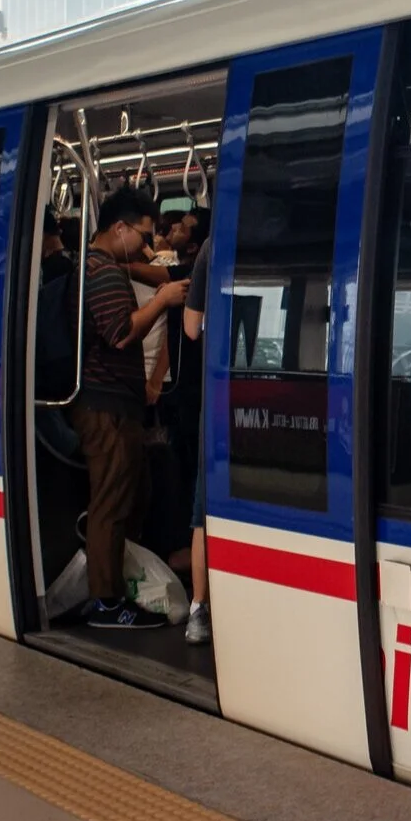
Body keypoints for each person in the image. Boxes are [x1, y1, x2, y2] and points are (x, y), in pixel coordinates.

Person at [75, 187, 188, 630]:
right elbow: (120, 334)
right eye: (141, 236)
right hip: (106, 406)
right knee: (112, 502)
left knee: (125, 496)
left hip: (113, 403)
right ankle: (105, 603)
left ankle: (116, 589)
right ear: (118, 228)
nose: (144, 247)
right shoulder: (103, 272)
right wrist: (162, 301)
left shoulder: (94, 266)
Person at [179, 238, 215, 646]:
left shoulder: (212, 244)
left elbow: (191, 329)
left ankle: (199, 608)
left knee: (204, 510)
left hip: (220, 394)